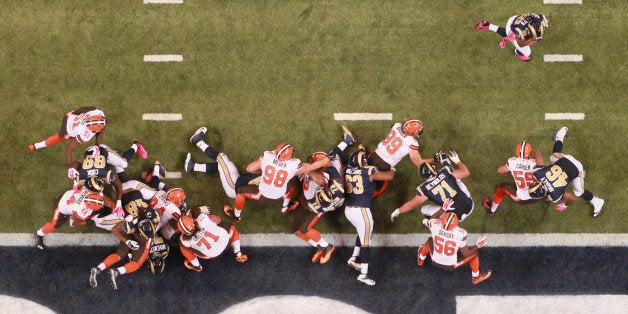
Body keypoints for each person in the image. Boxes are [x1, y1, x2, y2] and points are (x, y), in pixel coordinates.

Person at [223, 142, 330, 222]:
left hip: (261, 193)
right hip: (281, 194)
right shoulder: (293, 164)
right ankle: (285, 206)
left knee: (241, 193)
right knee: (294, 178)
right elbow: (312, 166)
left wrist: (263, 171)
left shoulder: (268, 156)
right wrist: (328, 158)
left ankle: (236, 216)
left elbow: (249, 169)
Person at [344, 144, 396, 286]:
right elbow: (389, 176)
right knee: (366, 242)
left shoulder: (347, 168)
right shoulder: (369, 171)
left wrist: (360, 151)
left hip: (348, 210)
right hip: (361, 211)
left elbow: (355, 161)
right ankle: (364, 274)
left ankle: (354, 258)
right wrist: (393, 167)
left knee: (362, 233)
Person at [528, 127, 605, 218]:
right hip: (566, 158)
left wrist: (565, 205)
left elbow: (573, 199)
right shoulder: (538, 174)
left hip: (577, 169)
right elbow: (537, 153)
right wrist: (528, 159)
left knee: (579, 192)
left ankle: (597, 202)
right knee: (553, 157)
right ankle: (560, 136)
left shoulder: (555, 195)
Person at [34, 176, 120, 250]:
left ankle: (97, 212)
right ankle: (38, 234)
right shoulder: (82, 210)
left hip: (69, 196)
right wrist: (89, 222)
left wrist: (116, 208)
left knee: (101, 209)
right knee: (55, 225)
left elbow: (109, 202)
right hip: (61, 206)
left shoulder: (91, 190)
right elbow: (73, 223)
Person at [89, 204, 161, 289]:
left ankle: (98, 268)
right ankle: (117, 271)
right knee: (137, 263)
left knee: (120, 253)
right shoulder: (132, 222)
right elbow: (114, 229)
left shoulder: (141, 218)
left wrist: (127, 240)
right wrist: (127, 241)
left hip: (132, 231)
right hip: (138, 237)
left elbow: (115, 229)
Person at [291, 152, 345, 265]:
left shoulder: (325, 174)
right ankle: (319, 247)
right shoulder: (309, 171)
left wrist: (309, 169)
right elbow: (304, 187)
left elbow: (321, 181)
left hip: (318, 205)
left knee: (304, 229)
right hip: (306, 203)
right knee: (295, 230)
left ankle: (328, 247)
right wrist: (298, 200)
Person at [391, 151, 474, 222]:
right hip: (470, 205)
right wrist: (457, 161)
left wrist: (398, 211)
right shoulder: (445, 172)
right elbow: (466, 172)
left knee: (424, 209)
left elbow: (411, 204)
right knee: (455, 178)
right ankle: (445, 160)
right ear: (433, 169)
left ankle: (436, 222)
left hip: (455, 218)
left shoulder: (424, 189)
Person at [417, 209, 492, 285]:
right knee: (474, 254)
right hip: (451, 265)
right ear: (456, 224)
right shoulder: (461, 233)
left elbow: (432, 219)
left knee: (430, 241)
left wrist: (442, 209)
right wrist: (477, 246)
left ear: (442, 220)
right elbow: (467, 253)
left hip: (434, 260)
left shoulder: (435, 225)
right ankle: (476, 277)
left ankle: (420, 259)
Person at [482, 141, 557, 216]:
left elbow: (499, 170)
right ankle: (548, 197)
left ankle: (492, 210)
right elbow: (540, 162)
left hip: (521, 199)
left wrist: (511, 167)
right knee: (547, 178)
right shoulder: (535, 163)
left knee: (502, 186)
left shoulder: (512, 161)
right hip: (538, 196)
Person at [28, 107, 109, 170]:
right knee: (59, 137)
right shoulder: (84, 133)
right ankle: (36, 146)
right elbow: (69, 149)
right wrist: (70, 168)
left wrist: (96, 145)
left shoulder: (96, 112)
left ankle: (36, 146)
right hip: (68, 125)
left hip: (74, 116)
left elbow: (81, 110)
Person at [368, 118, 427, 197]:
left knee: (366, 172)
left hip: (374, 155)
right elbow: (419, 163)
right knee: (378, 187)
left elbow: (396, 126)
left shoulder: (397, 126)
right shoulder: (412, 142)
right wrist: (434, 159)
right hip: (384, 165)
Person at [178, 207, 248, 272]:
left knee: (183, 247)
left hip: (212, 254)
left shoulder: (184, 240)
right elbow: (218, 219)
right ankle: (238, 253)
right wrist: (205, 215)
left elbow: (186, 240)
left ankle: (196, 266)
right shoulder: (203, 220)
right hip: (226, 240)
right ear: (192, 221)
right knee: (232, 228)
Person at [474, 13, 549, 61]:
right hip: (513, 29)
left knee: (511, 34)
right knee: (527, 52)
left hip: (514, 19)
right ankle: (518, 52)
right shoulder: (522, 32)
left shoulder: (536, 18)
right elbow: (521, 44)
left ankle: (487, 25)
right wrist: (532, 40)